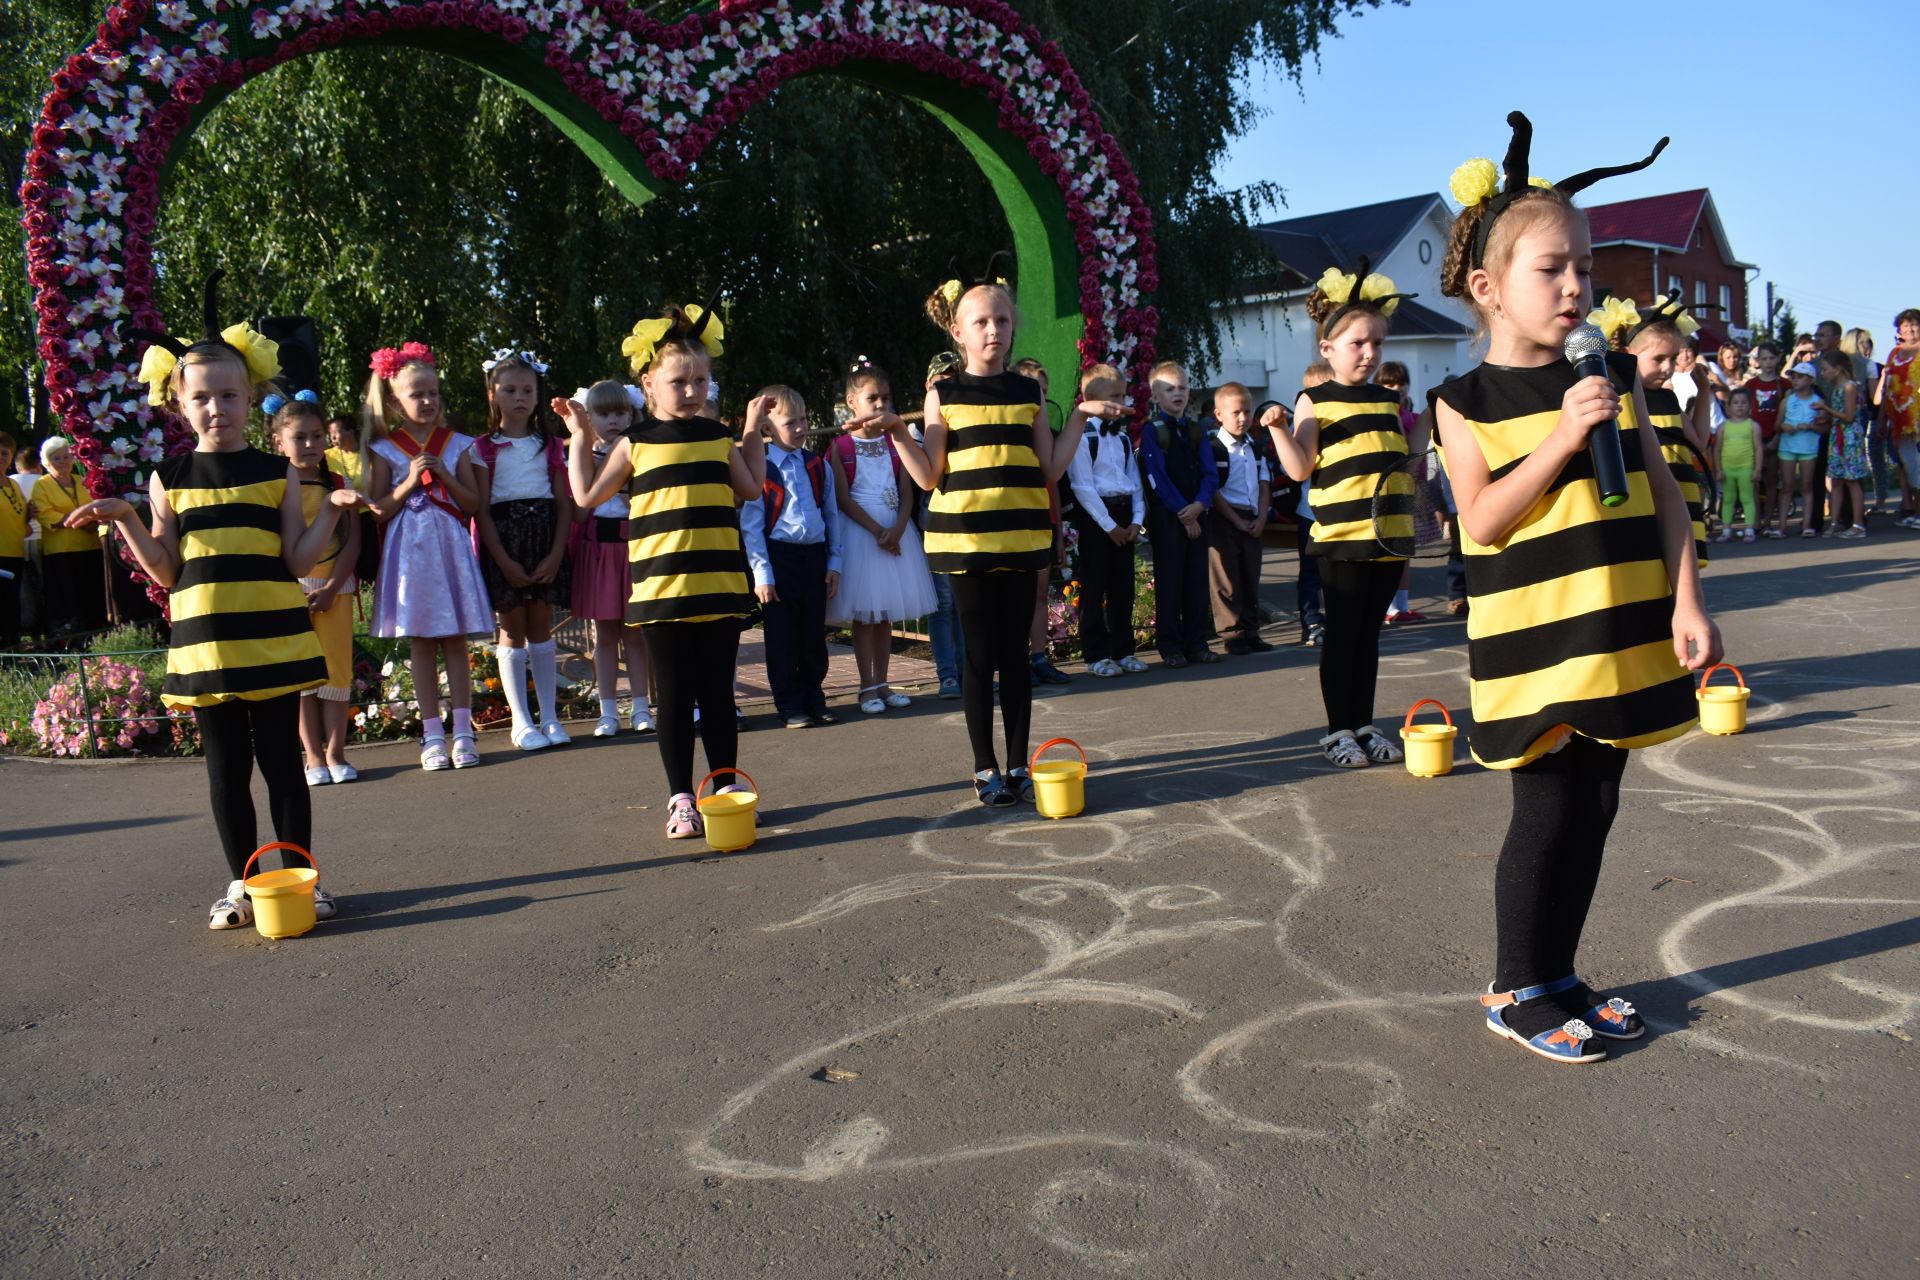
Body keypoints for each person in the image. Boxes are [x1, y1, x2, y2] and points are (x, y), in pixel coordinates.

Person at [1434, 115, 1719, 1063]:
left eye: (1586, 271)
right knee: (1547, 809)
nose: (1575, 288)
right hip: (1537, 638)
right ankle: (1515, 986)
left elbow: (1665, 493)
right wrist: (1560, 436)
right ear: (1488, 289)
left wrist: (1688, 599)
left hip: (1621, 627)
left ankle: (1559, 973)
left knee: (1597, 805)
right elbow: (1480, 520)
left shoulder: (1612, 374)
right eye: (1551, 269)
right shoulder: (1463, 401)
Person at [68, 282, 357, 929]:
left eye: (229, 396)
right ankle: (247, 884)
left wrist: (332, 510)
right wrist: (125, 519)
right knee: (227, 772)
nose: (217, 408)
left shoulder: (276, 470)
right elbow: (168, 572)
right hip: (208, 647)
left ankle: (299, 879)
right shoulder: (167, 478)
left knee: (285, 766)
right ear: (178, 403)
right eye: (202, 397)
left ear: (250, 397)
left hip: (275, 641)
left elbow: (298, 562)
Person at [876, 267, 1114, 806]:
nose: (993, 329)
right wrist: (897, 433)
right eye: (981, 321)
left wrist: (1079, 414)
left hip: (1021, 536)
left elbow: (1050, 468)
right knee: (979, 656)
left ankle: (1018, 764)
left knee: (1017, 656)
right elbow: (929, 476)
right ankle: (985, 768)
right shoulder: (944, 392)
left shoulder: (1028, 390)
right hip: (965, 542)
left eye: (1002, 320)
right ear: (957, 332)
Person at [559, 302, 765, 841]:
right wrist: (581, 436)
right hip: (663, 593)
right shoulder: (636, 443)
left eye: (701, 379)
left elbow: (749, 488)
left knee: (719, 696)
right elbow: (584, 496)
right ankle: (680, 798)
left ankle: (725, 789)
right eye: (680, 381)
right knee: (673, 698)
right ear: (649, 384)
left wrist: (753, 431)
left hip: (719, 588)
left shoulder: (720, 437)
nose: (693, 389)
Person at [1262, 262, 1416, 769]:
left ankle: (1365, 724)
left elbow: (1401, 460)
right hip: (1342, 537)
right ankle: (1337, 731)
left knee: (1370, 636)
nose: (1370, 354)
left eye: (1377, 344)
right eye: (1357, 344)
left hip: (1388, 537)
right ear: (1327, 348)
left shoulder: (1387, 400)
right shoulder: (1315, 399)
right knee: (1344, 633)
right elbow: (1301, 466)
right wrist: (1281, 429)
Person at [361, 341, 493, 770]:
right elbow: (378, 507)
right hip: (410, 556)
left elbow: (473, 504)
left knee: (455, 641)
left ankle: (464, 731)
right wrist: (410, 481)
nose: (428, 401)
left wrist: (446, 477)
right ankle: (432, 731)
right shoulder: (384, 448)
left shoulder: (459, 444)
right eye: (417, 394)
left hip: (450, 549)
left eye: (433, 393)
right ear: (396, 402)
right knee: (421, 642)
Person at [469, 349, 573, 751]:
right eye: (510, 389)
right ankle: (521, 722)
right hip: (504, 541)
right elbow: (481, 511)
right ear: (493, 393)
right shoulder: (482, 448)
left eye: (527, 390)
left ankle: (550, 717)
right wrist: (503, 560)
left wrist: (555, 553)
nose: (519, 397)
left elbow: (563, 504)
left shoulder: (549, 445)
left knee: (541, 627)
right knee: (511, 629)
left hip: (543, 538)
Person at [830, 363, 935, 715]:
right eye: (871, 397)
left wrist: (900, 527)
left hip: (895, 532)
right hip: (862, 536)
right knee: (865, 616)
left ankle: (884, 683)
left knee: (885, 613)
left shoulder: (896, 442)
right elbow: (843, 498)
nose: (880, 404)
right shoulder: (841, 447)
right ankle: (866, 686)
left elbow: (907, 492)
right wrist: (877, 532)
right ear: (852, 401)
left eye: (885, 398)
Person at [268, 391, 361, 785]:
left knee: (337, 673)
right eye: (299, 437)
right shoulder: (272, 486)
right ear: (278, 442)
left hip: (335, 590)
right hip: (290, 592)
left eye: (317, 436)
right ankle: (312, 757)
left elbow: (353, 541)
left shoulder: (339, 482)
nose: (310, 445)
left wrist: (332, 587)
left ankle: (336, 752)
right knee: (301, 676)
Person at [740, 383, 841, 729]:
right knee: (782, 639)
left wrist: (834, 562)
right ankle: (789, 703)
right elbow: (752, 527)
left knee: (813, 636)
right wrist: (762, 575)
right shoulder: (761, 470)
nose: (800, 429)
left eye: (804, 420)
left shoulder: (817, 466)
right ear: (767, 428)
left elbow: (831, 517)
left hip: (812, 558)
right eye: (790, 422)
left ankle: (814, 697)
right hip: (778, 559)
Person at [1590, 294, 1712, 565]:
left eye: (1673, 358)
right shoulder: (1618, 400)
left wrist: (1704, 391)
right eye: (1658, 359)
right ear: (1626, 355)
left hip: (1679, 502)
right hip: (1646, 506)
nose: (1668, 368)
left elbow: (1699, 444)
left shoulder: (1668, 399)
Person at [568, 380, 653, 737]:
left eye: (620, 412)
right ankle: (607, 712)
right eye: (603, 414)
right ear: (590, 418)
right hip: (600, 551)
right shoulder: (584, 452)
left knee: (635, 634)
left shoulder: (641, 450)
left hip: (634, 548)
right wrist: (579, 443)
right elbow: (580, 509)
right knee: (603, 635)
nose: (613, 420)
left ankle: (640, 707)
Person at [1065, 362, 1146, 678]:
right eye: (1116, 397)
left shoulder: (1124, 439)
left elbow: (1134, 480)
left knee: (1123, 587)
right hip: (1098, 519)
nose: (1123, 404)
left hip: (1125, 514)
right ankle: (1095, 654)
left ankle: (1124, 651)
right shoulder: (1084, 438)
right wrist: (1109, 526)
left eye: (1124, 396)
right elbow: (1082, 485)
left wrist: (1137, 519)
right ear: (1094, 399)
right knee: (1094, 587)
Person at [1136, 360, 1219, 668]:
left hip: (1197, 515)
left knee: (1197, 582)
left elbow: (1210, 474)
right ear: (1155, 396)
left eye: (1182, 387)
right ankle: (1170, 647)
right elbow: (1156, 478)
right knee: (1170, 584)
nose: (1178, 393)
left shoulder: (1196, 430)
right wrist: (1183, 513)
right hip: (1168, 520)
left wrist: (1199, 506)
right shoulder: (1152, 432)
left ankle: (1197, 643)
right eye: (1169, 389)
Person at [1207, 382, 1273, 654]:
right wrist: (1235, 520)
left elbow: (1264, 482)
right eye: (1236, 412)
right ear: (1219, 414)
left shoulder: (1254, 446)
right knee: (1226, 577)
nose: (1244, 418)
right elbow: (1212, 490)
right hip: (1224, 518)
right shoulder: (1213, 447)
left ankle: (1251, 630)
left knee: (1249, 574)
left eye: (1247, 411)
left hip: (1252, 516)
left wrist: (1261, 518)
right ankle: (1232, 632)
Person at [916, 351, 965, 697]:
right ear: (928, 385)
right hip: (934, 530)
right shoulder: (918, 431)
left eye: (954, 379)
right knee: (944, 604)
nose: (947, 385)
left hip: (967, 527)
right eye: (940, 380)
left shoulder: (966, 425)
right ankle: (948, 674)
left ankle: (970, 672)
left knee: (967, 605)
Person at [31, 436, 105, 637]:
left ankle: (97, 636)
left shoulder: (83, 481)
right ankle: (70, 639)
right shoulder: (42, 484)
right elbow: (45, 514)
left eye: (66, 456)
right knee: (67, 599)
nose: (62, 461)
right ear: (47, 462)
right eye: (56, 458)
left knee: (92, 595)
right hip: (61, 552)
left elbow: (97, 506)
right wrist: (79, 520)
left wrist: (93, 520)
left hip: (91, 547)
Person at [1375, 361, 1426, 624]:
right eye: (1389, 383)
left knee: (1404, 549)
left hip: (1410, 486)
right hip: (1387, 489)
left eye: (1402, 382)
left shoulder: (1412, 416)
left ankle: (1402, 606)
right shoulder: (1381, 416)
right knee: (1389, 549)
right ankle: (1389, 607)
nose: (1397, 388)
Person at [1876, 309, 1920, 527]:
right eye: (1905, 326)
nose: (1910, 329)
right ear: (1899, 329)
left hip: (1918, 418)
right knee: (1910, 466)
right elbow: (1886, 388)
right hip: (1900, 420)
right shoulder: (1894, 353)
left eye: (1914, 324)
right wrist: (1882, 418)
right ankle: (1917, 511)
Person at [1775, 361, 1827, 538]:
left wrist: (1810, 427)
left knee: (1806, 486)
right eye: (1793, 377)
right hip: (1787, 447)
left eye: (1800, 377)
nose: (1795, 380)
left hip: (1809, 448)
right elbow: (1777, 425)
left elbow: (1824, 428)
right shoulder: (1787, 400)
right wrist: (1785, 426)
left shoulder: (1818, 402)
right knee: (1787, 486)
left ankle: (1807, 525)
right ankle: (1781, 527)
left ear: (1811, 380)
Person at [1818, 349, 1867, 538]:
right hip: (1837, 436)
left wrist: (1826, 409)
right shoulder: (1837, 388)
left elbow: (1849, 416)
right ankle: (1835, 522)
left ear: (1837, 369)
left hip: (1849, 437)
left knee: (1852, 481)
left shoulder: (1849, 387)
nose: (1823, 373)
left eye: (1825, 369)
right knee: (1836, 480)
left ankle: (1858, 524)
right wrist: (1827, 419)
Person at [1713, 388, 1762, 543]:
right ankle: (1726, 530)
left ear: (1749, 406)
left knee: (1747, 498)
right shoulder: (1723, 427)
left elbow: (1759, 448)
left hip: (1746, 468)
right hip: (1728, 470)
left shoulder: (1753, 426)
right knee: (1728, 499)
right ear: (1728, 407)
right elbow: (1717, 449)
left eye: (1743, 403)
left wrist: (1757, 469)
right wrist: (1718, 469)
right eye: (1735, 403)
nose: (1739, 406)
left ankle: (1749, 529)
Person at [0, 432, 25, 647]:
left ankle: (13, 647)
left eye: (5, 453)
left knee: (13, 604)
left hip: (16, 553)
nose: (1, 456)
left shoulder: (14, 485)